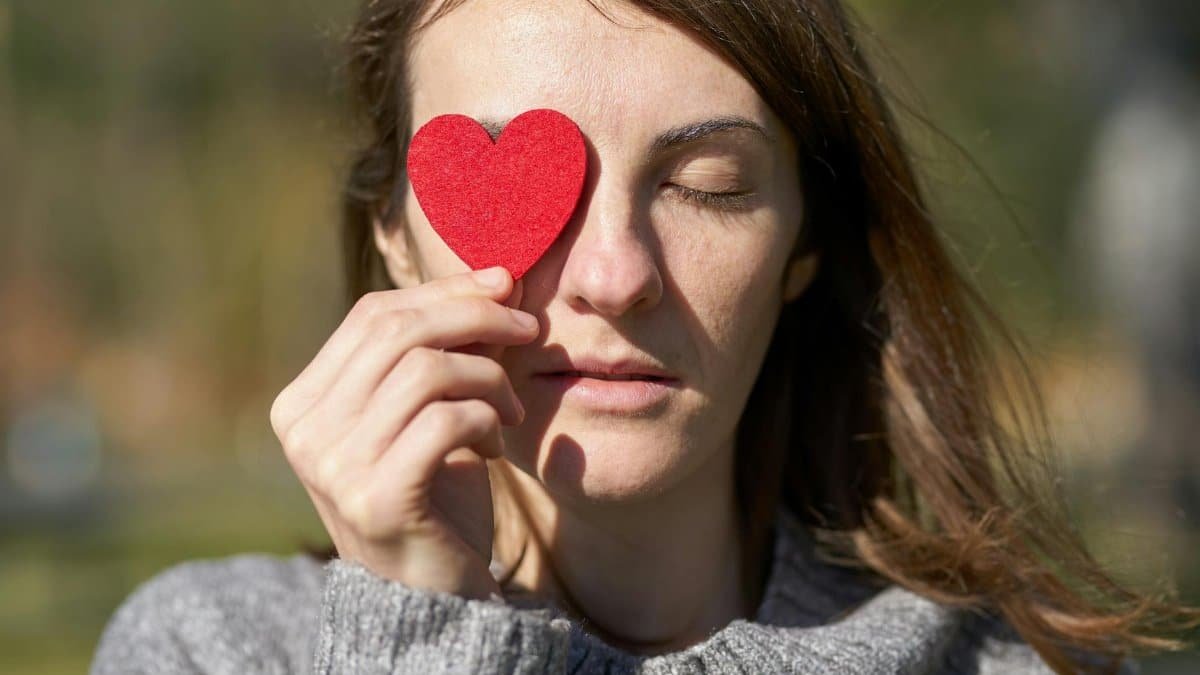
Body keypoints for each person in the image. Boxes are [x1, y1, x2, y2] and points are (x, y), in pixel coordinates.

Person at [89, 0, 1200, 673]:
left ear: (805, 241)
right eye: (525, 193)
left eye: (707, 186)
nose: (615, 276)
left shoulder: (1007, 668)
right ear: (395, 234)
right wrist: (418, 631)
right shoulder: (211, 649)